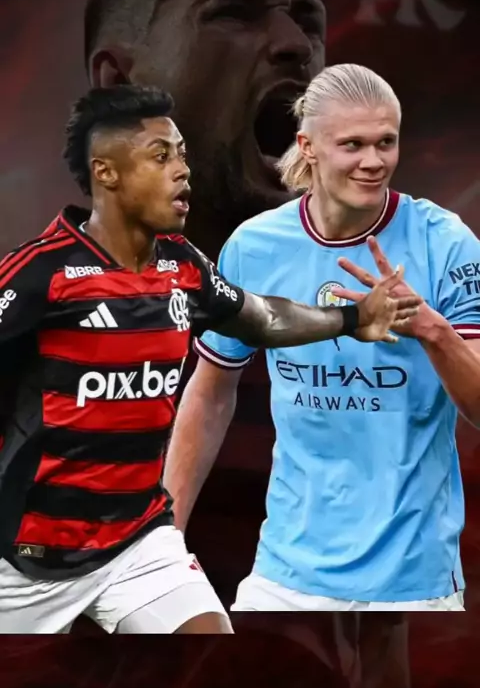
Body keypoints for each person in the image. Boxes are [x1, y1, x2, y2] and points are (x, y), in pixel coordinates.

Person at [0, 83, 419, 635]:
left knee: (212, 657)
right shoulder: (41, 273)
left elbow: (261, 318)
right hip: (28, 560)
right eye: (161, 156)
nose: (182, 170)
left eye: (182, 154)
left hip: (136, 544)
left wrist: (352, 318)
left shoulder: (182, 265)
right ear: (107, 172)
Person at [165, 63, 480, 611]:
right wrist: (166, 538)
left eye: (386, 142)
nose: (374, 161)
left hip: (414, 583)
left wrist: (431, 330)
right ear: (308, 146)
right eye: (353, 144)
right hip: (283, 577)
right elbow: (210, 394)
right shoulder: (255, 247)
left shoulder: (444, 242)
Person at [84, 0, 326, 259]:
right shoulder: (37, 291)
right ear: (120, 87)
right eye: (233, 14)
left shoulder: (388, 284)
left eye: (308, 23)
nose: (297, 43)